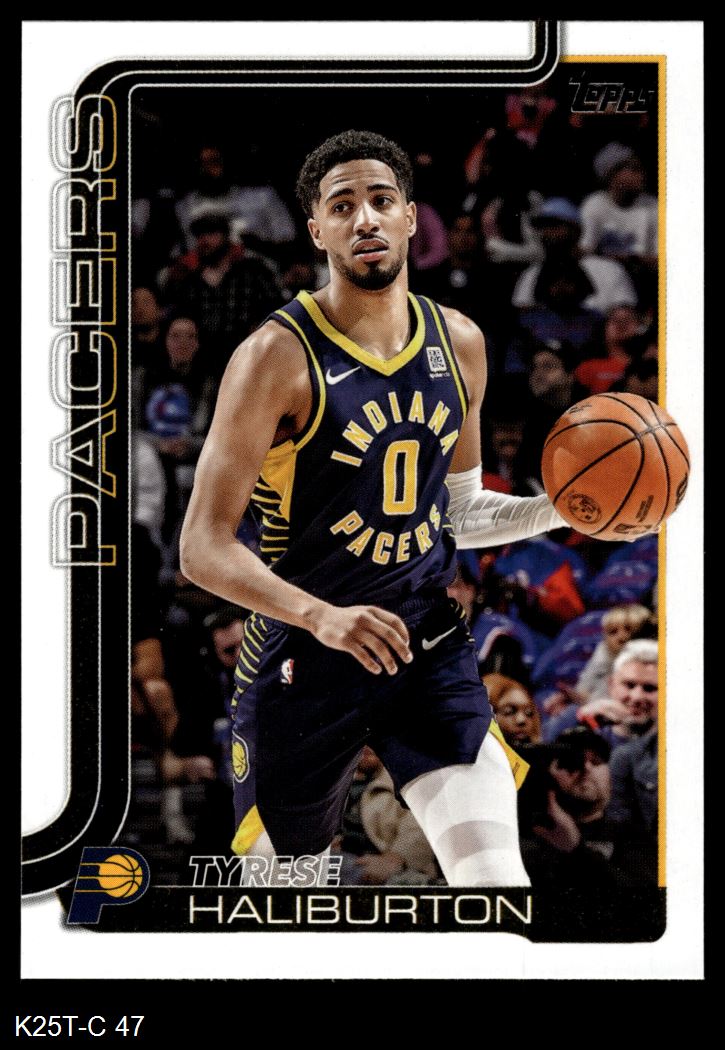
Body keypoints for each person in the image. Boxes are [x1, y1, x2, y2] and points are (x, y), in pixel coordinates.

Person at [180, 129, 569, 887]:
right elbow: (201, 548)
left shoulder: (460, 342)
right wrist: (322, 617)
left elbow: (459, 512)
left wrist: (562, 510)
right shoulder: (274, 357)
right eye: (342, 205)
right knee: (285, 904)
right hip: (303, 650)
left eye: (381, 200)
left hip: (425, 642)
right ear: (315, 230)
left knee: (495, 885)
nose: (365, 218)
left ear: (410, 217)